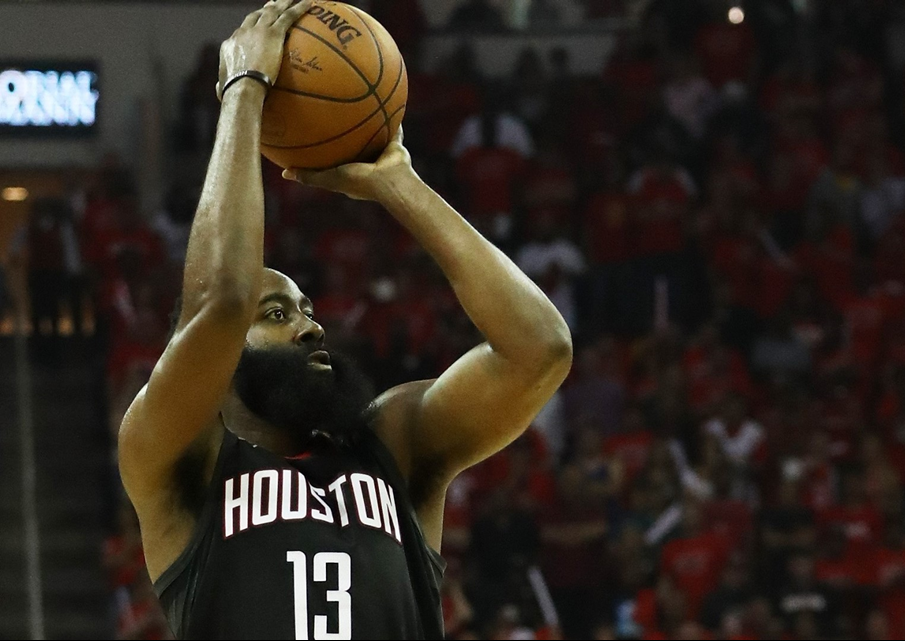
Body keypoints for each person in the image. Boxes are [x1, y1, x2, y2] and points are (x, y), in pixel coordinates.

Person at [116, 2, 573, 639]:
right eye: (277, 313)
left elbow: (541, 348)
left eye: (309, 311)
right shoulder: (180, 463)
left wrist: (399, 184)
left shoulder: (395, 443)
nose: (311, 327)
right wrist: (243, 93)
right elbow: (219, 304)